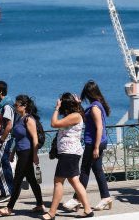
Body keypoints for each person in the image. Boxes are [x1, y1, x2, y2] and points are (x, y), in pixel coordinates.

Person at [63, 81, 112, 211]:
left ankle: (77, 199)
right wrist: (79, 105)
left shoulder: (95, 107)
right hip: (98, 141)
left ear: (89, 94)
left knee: (84, 170)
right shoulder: (96, 105)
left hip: (94, 142)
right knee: (97, 170)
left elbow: (99, 127)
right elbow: (87, 120)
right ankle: (106, 197)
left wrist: (95, 147)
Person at [43, 93, 93, 220]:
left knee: (58, 182)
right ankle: (88, 209)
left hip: (69, 153)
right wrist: (78, 103)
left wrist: (56, 108)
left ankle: (52, 213)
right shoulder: (76, 114)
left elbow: (54, 124)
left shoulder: (75, 116)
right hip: (71, 152)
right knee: (74, 180)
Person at [0, 95, 44, 216]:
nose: (15, 107)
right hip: (21, 152)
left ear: (24, 106)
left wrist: (35, 155)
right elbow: (18, 139)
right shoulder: (19, 119)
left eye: (17, 105)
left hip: (27, 153)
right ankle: (40, 205)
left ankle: (9, 208)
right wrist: (12, 153)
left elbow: (35, 139)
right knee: (32, 180)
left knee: (17, 180)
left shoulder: (29, 119)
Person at [0, 80, 16, 204]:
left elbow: (9, 125)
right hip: (2, 138)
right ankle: (7, 191)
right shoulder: (1, 103)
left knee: (0, 164)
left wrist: (1, 140)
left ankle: (7, 192)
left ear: (0, 91)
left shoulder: (6, 106)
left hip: (4, 138)